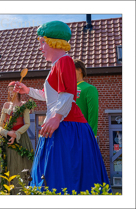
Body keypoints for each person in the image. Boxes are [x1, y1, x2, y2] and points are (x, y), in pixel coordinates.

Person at [14, 21, 111, 193]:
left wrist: (56, 117)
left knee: (61, 173)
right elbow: (49, 96)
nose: (40, 47)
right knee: (59, 173)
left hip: (68, 126)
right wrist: (27, 90)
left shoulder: (65, 61)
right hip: (64, 125)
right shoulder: (57, 65)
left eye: (42, 42)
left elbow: (67, 95)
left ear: (53, 41)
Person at [0, 81, 33, 194]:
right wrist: (7, 133)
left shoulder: (24, 105)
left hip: (21, 139)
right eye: (9, 90)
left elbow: (27, 124)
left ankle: (22, 192)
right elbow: (0, 126)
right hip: (7, 141)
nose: (11, 92)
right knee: (7, 166)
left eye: (13, 89)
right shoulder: (6, 105)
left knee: (21, 165)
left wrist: (16, 134)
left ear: (18, 90)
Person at [74, 59, 99, 137]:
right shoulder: (65, 89)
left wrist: (92, 135)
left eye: (71, 69)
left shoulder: (89, 88)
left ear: (79, 70)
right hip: (67, 133)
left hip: (82, 133)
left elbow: (93, 113)